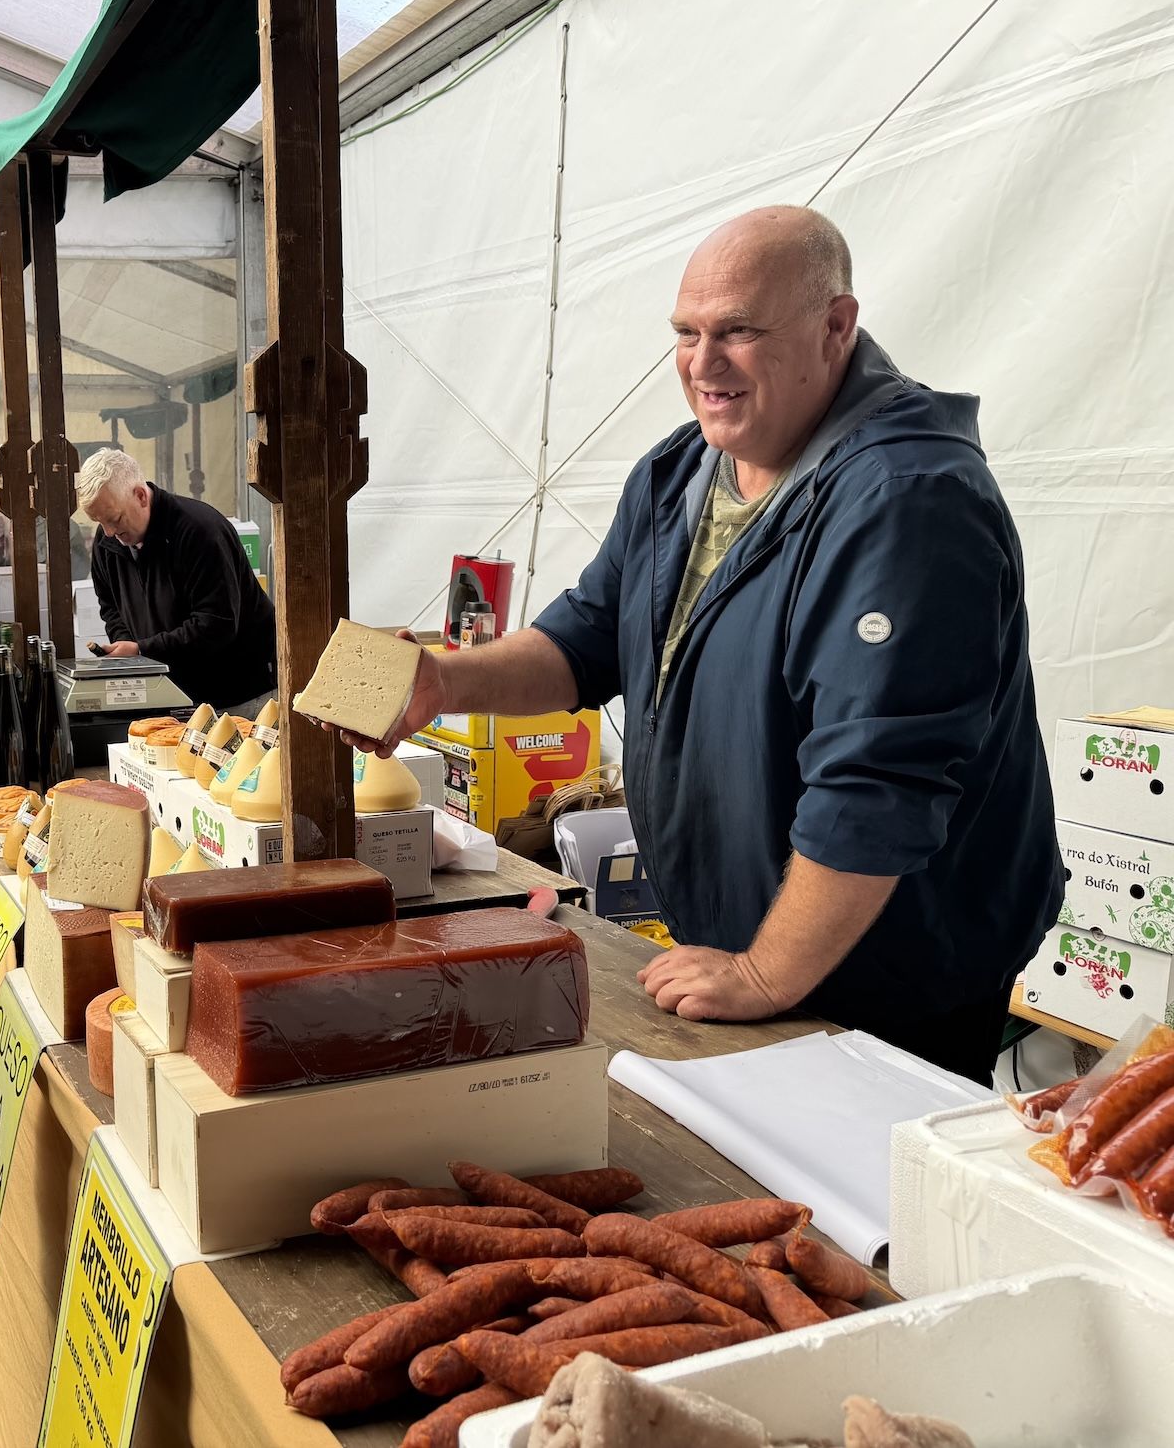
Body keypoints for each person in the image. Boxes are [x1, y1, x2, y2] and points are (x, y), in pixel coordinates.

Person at [339, 207, 1058, 1084]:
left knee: (861, 1173)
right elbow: (585, 638)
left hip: (886, 975)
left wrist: (765, 973)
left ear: (836, 326)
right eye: (686, 333)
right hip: (747, 952)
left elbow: (878, 782)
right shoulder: (680, 470)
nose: (702, 363)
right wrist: (442, 682)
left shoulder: (907, 499)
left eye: (739, 332)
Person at [76, 446, 277, 714]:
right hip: (171, 696)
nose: (109, 532)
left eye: (115, 519)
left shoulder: (200, 532)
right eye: (99, 522)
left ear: (140, 496)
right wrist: (128, 651)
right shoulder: (108, 543)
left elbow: (216, 625)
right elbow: (111, 607)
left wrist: (141, 650)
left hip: (238, 693)